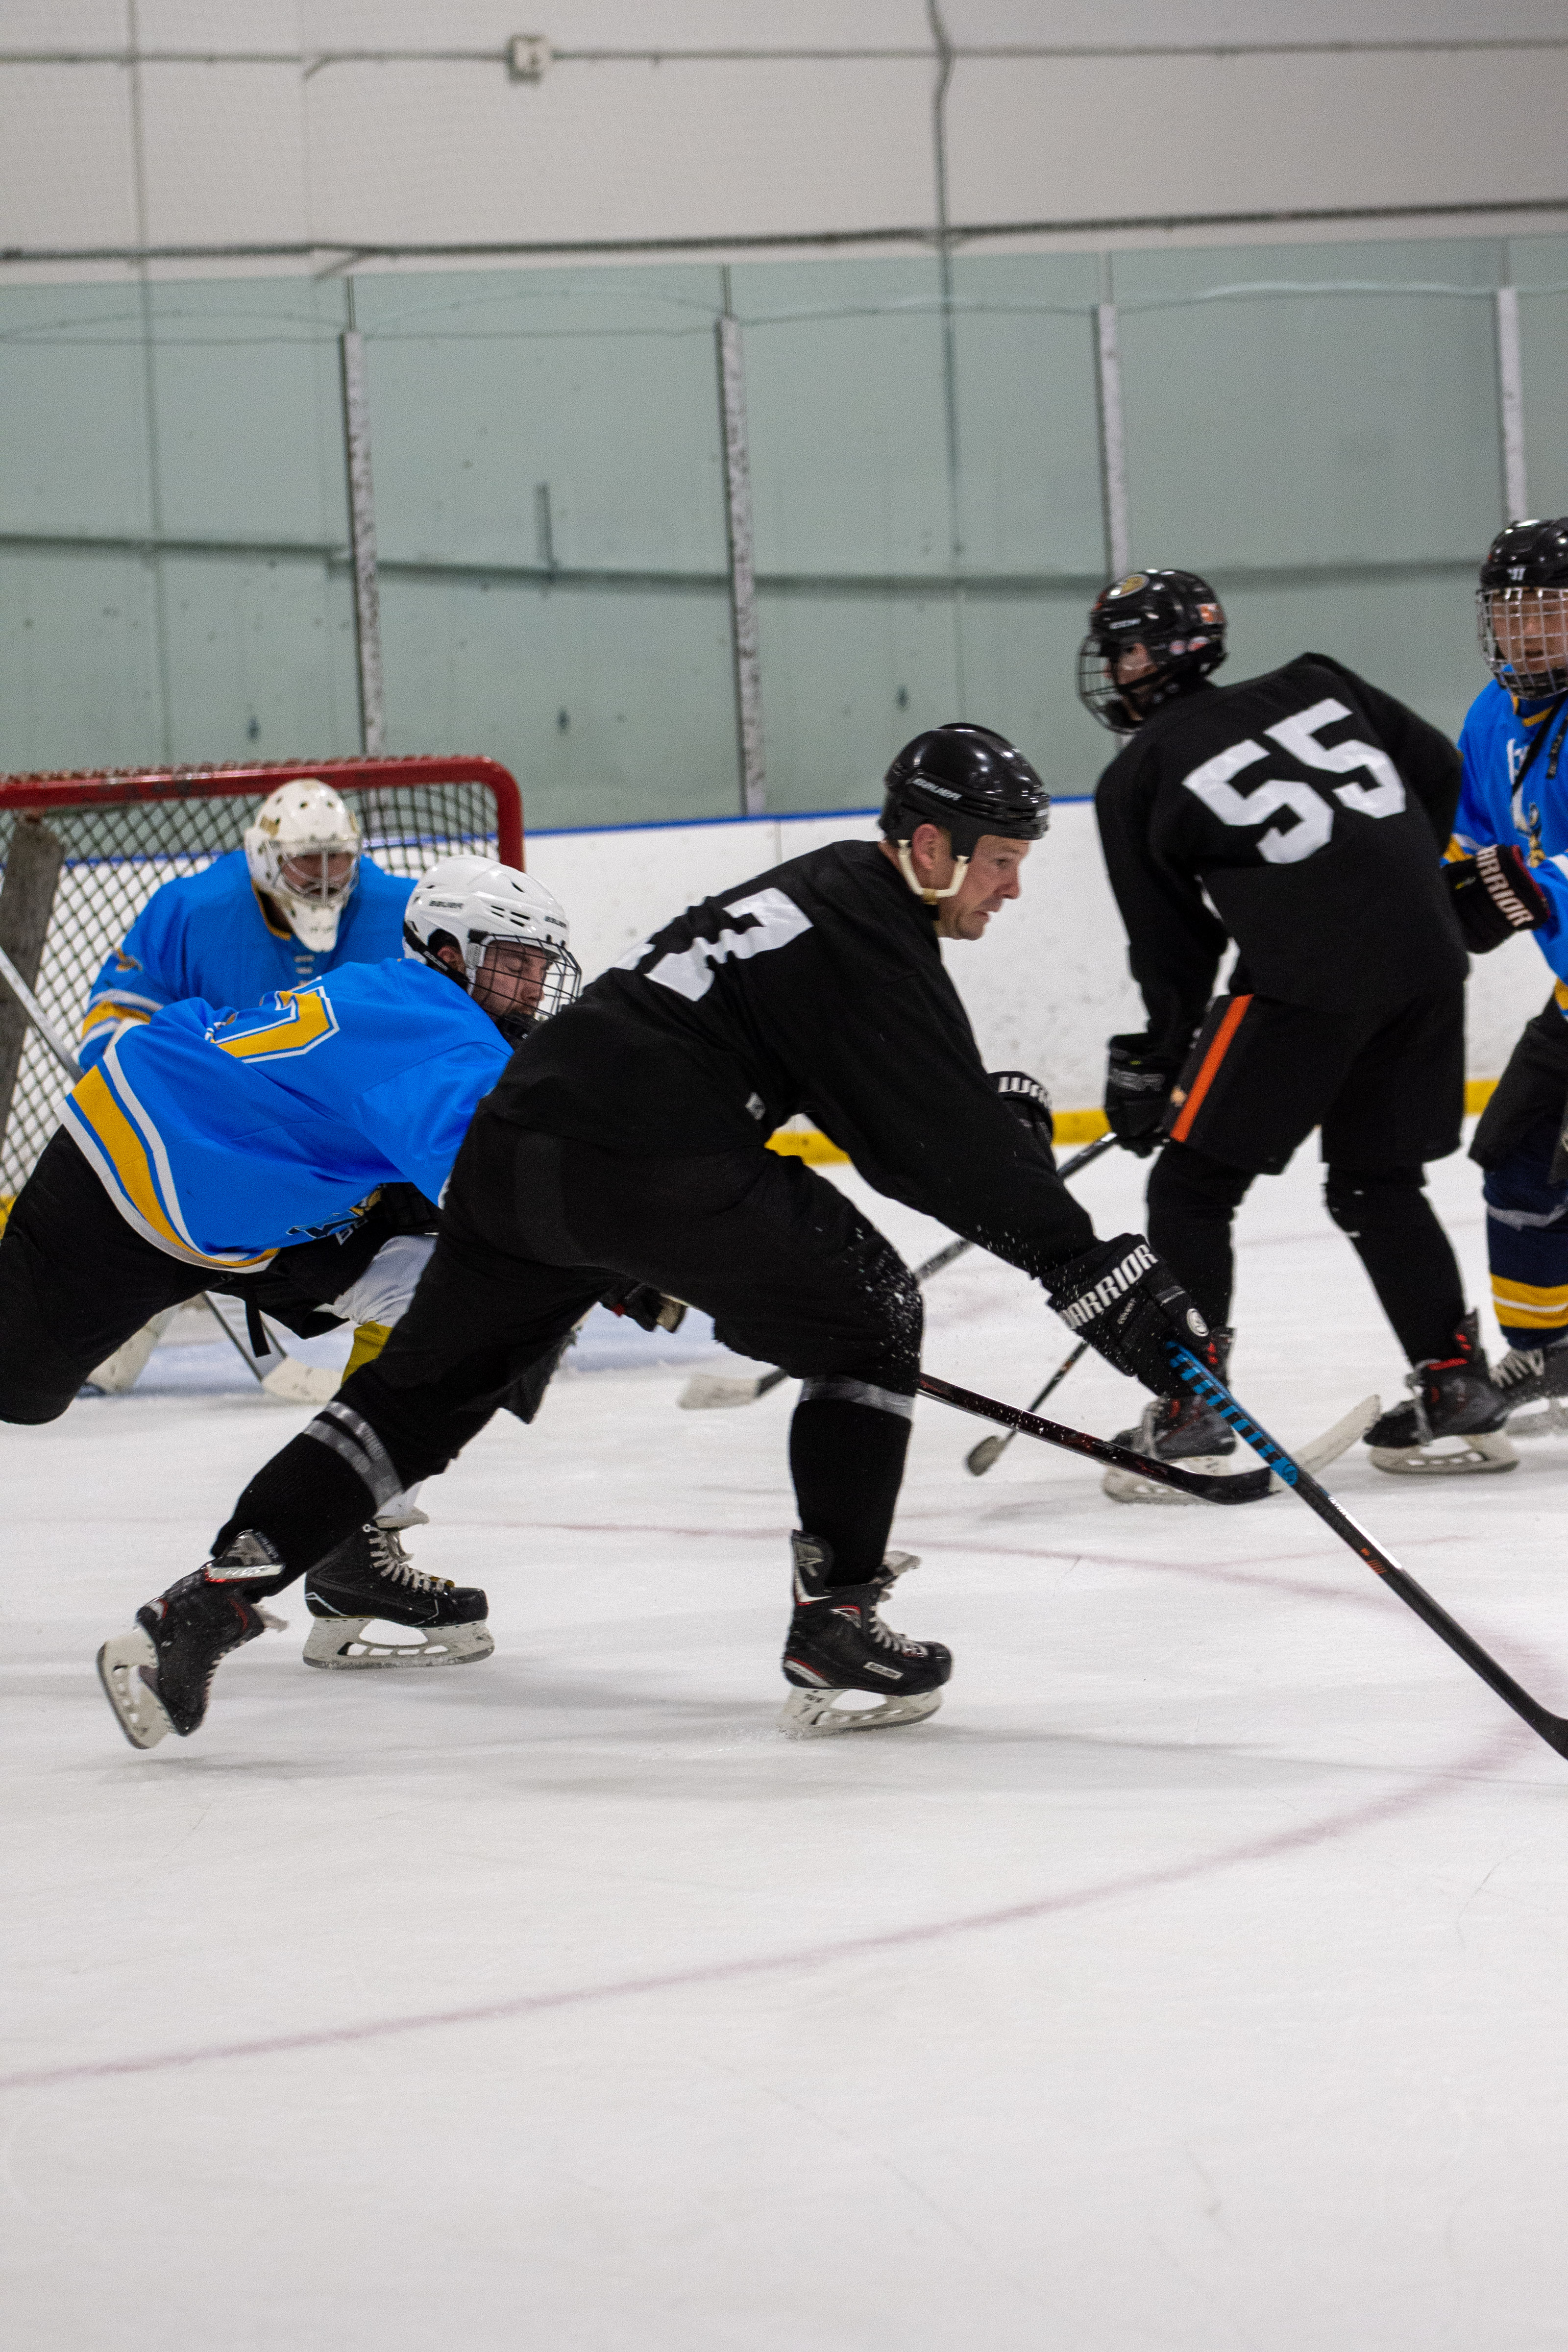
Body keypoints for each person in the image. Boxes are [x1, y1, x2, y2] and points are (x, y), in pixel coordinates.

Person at [95, 722, 1217, 1755]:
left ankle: (203, 1603)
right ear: (932, 846)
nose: (1013, 887)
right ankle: (836, 1622)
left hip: (516, 1146)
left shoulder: (827, 898)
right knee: (870, 1313)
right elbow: (924, 1149)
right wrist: (1097, 1277)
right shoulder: (868, 932)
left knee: (416, 1400)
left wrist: (988, 1138)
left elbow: (924, 1113)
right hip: (650, 1157)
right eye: (1001, 861)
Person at [0, 859, 578, 1679]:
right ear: (449, 952)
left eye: (540, 966)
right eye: (513, 963)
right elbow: (499, 1200)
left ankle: (354, 1544)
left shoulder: (417, 1001)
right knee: (16, 1391)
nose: (532, 986)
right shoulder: (444, 1035)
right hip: (140, 1170)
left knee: (456, 1304)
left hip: (260, 1203)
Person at [1081, 567, 1508, 1476]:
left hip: (1306, 982)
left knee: (1191, 1188)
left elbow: (1174, 948)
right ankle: (1456, 1384)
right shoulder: (1319, 680)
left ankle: (1195, 1405)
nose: (1114, 669)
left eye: (1122, 651)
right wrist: (1398, 883)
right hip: (1429, 960)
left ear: (1153, 658)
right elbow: (1438, 769)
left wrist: (1154, 1062)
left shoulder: (1138, 773)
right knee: (1377, 1185)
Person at [1449, 517, 1568, 1430]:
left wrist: (1524, 880)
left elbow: (1524, 873)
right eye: (1510, 611)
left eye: (1548, 611)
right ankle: (1549, 1349)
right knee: (1516, 1151)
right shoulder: (1490, 719)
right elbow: (1465, 851)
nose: (1525, 631)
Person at [77, 779, 414, 1072]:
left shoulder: (403, 911)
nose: (323, 875)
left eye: (337, 856)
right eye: (306, 857)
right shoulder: (191, 911)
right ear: (265, 858)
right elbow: (120, 1014)